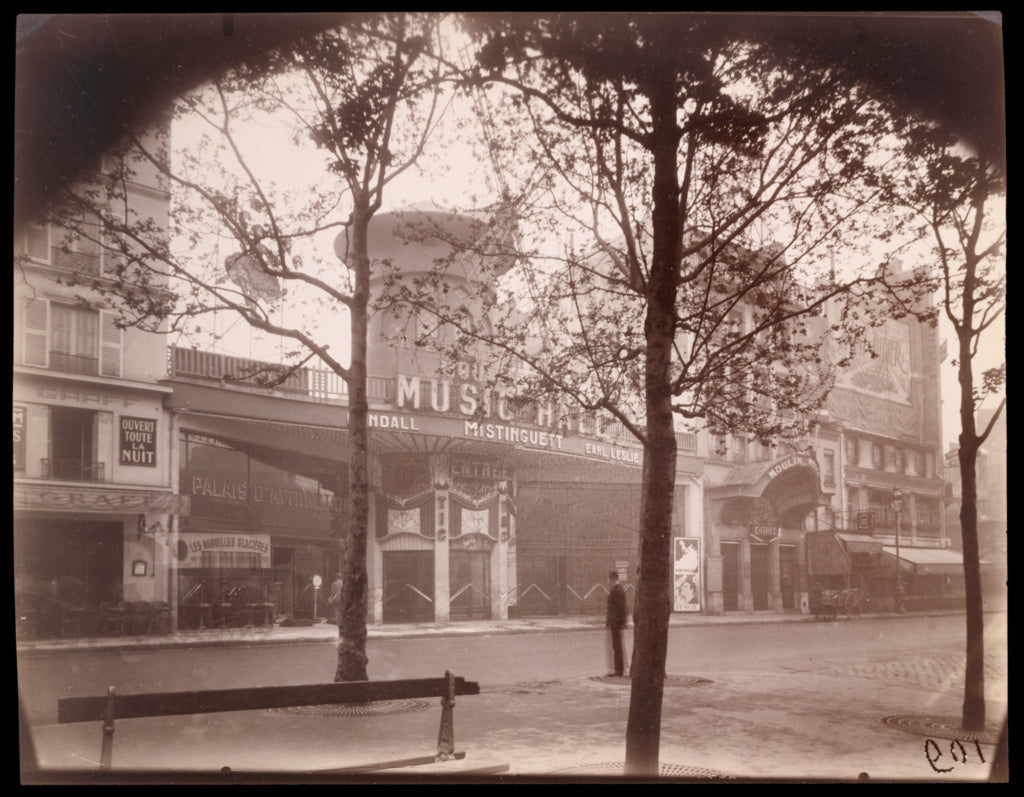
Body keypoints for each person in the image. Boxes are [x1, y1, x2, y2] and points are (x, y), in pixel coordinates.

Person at [605, 569, 628, 677]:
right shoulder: (617, 589)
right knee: (616, 645)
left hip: (616, 622)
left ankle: (619, 670)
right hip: (616, 621)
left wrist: (620, 622)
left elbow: (619, 608)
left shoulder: (617, 590)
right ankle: (618, 669)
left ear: (612, 579)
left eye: (608, 578)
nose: (607, 581)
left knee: (617, 646)